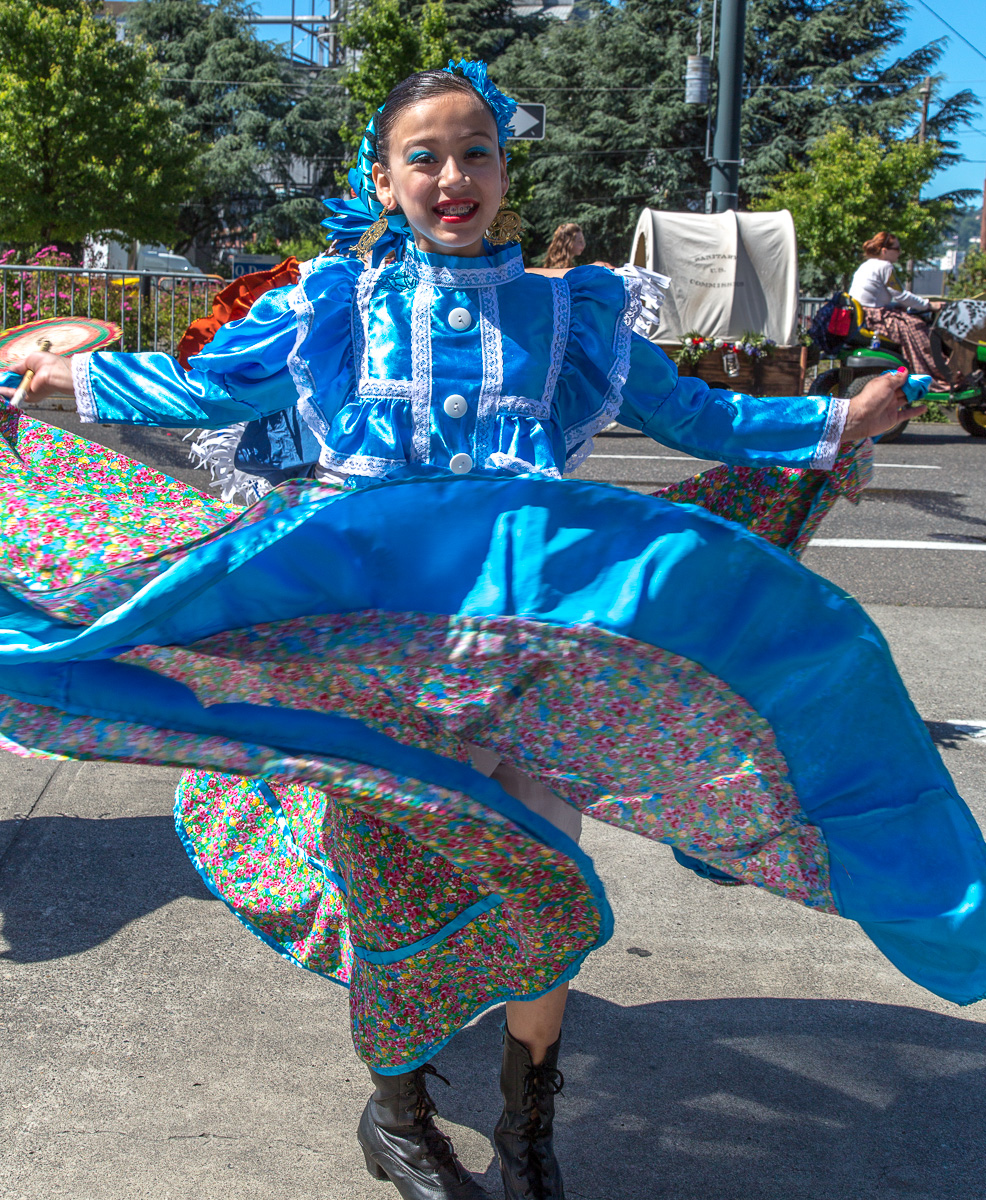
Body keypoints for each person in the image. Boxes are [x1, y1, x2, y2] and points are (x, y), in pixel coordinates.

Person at [2, 61, 983, 1200]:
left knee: (542, 871)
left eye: (474, 153)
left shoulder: (570, 311)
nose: (451, 177)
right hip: (375, 656)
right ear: (382, 179)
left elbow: (700, 416)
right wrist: (66, 388)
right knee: (397, 882)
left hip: (534, 658)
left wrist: (831, 422)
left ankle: (528, 1124)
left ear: (505, 171)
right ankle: (400, 1107)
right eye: (423, 156)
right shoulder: (331, 301)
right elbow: (202, 393)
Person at [848, 231, 947, 384]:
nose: (900, 253)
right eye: (897, 249)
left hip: (864, 315)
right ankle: (936, 373)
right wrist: (929, 305)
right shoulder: (885, 266)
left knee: (908, 318)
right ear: (884, 251)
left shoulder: (866, 265)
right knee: (917, 327)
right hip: (874, 317)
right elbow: (901, 295)